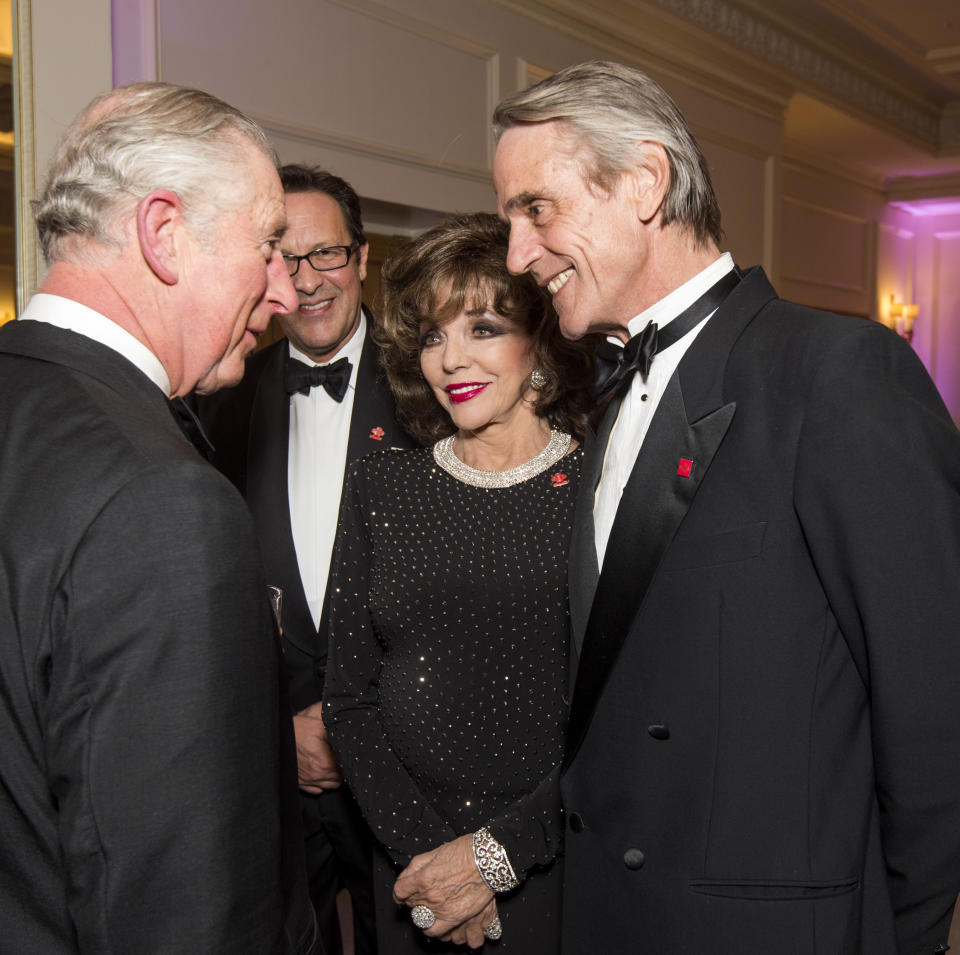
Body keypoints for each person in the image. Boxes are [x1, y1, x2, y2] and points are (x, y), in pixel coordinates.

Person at [492, 59, 960, 954]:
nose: (518, 254)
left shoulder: (837, 372)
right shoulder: (604, 399)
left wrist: (912, 934)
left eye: (536, 210)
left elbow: (935, 710)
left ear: (645, 182)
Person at [0, 83, 317, 954]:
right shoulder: (160, 499)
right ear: (164, 233)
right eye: (268, 246)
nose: (285, 292)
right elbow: (187, 913)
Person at [322, 212, 593, 953]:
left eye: (481, 327)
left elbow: (624, 718)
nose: (449, 359)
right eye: (433, 336)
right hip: (410, 869)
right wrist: (434, 862)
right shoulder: (383, 486)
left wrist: (493, 856)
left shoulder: (600, 488)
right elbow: (348, 696)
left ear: (538, 338)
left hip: (555, 860)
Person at [197, 164, 411, 955]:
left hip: (400, 762)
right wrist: (278, 728)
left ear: (360, 260)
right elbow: (207, 593)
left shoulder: (436, 385)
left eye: (326, 255)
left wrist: (359, 724)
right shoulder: (219, 393)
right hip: (273, 766)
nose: (305, 280)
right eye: (283, 258)